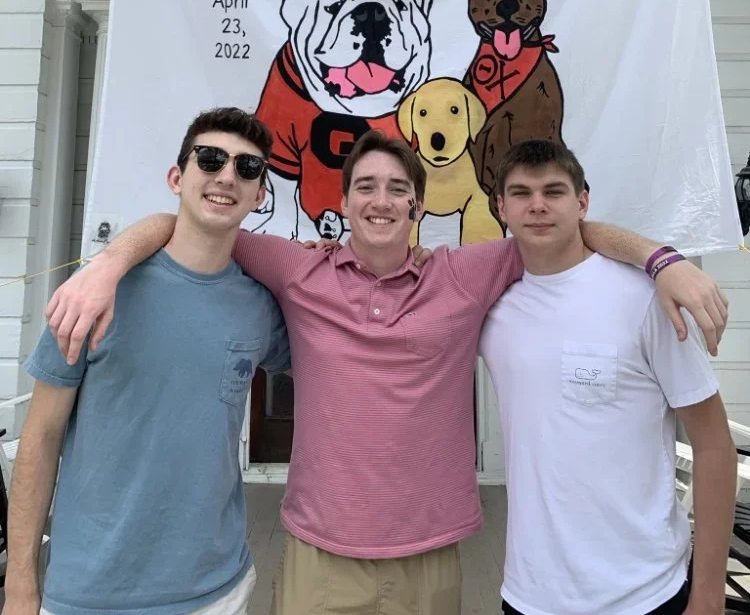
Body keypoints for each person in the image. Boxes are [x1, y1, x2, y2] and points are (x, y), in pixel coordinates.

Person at [44, 131, 728, 615]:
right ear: (344, 202)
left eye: (398, 189)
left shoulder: (469, 271)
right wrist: (105, 267)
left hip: (431, 552)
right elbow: (180, 220)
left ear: (418, 207)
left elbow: (563, 229)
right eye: (366, 186)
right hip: (320, 550)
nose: (380, 199)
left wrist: (663, 261)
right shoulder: (297, 267)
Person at [4, 108, 291, 615]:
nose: (227, 175)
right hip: (89, 595)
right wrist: (20, 587)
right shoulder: (93, 294)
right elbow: (41, 437)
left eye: (248, 168)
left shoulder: (258, 307)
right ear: (177, 177)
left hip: (218, 591)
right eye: (210, 159)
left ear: (260, 194)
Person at [480, 139, 737, 615]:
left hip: (644, 593)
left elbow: (714, 445)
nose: (537, 205)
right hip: (529, 595)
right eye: (521, 193)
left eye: (554, 191)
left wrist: (709, 595)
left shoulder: (647, 301)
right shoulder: (491, 302)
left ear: (582, 202)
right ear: (500, 206)